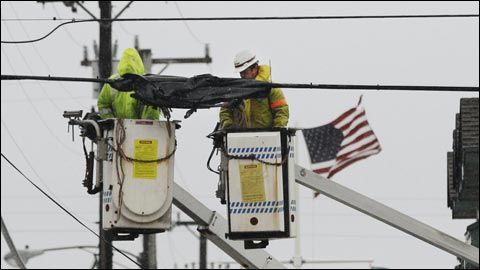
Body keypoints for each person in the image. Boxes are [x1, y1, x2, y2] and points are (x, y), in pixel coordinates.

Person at [219, 50, 289, 129]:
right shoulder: (236, 90)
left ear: (255, 68)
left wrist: (277, 130)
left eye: (245, 72)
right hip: (240, 138)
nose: (242, 75)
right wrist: (228, 126)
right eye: (240, 73)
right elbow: (225, 110)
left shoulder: (271, 89)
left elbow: (281, 112)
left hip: (266, 138)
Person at [98, 47, 160, 120]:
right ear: (138, 62)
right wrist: (112, 121)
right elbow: (151, 113)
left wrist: (112, 122)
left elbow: (103, 104)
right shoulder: (147, 83)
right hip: (129, 129)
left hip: (122, 129)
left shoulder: (112, 82)